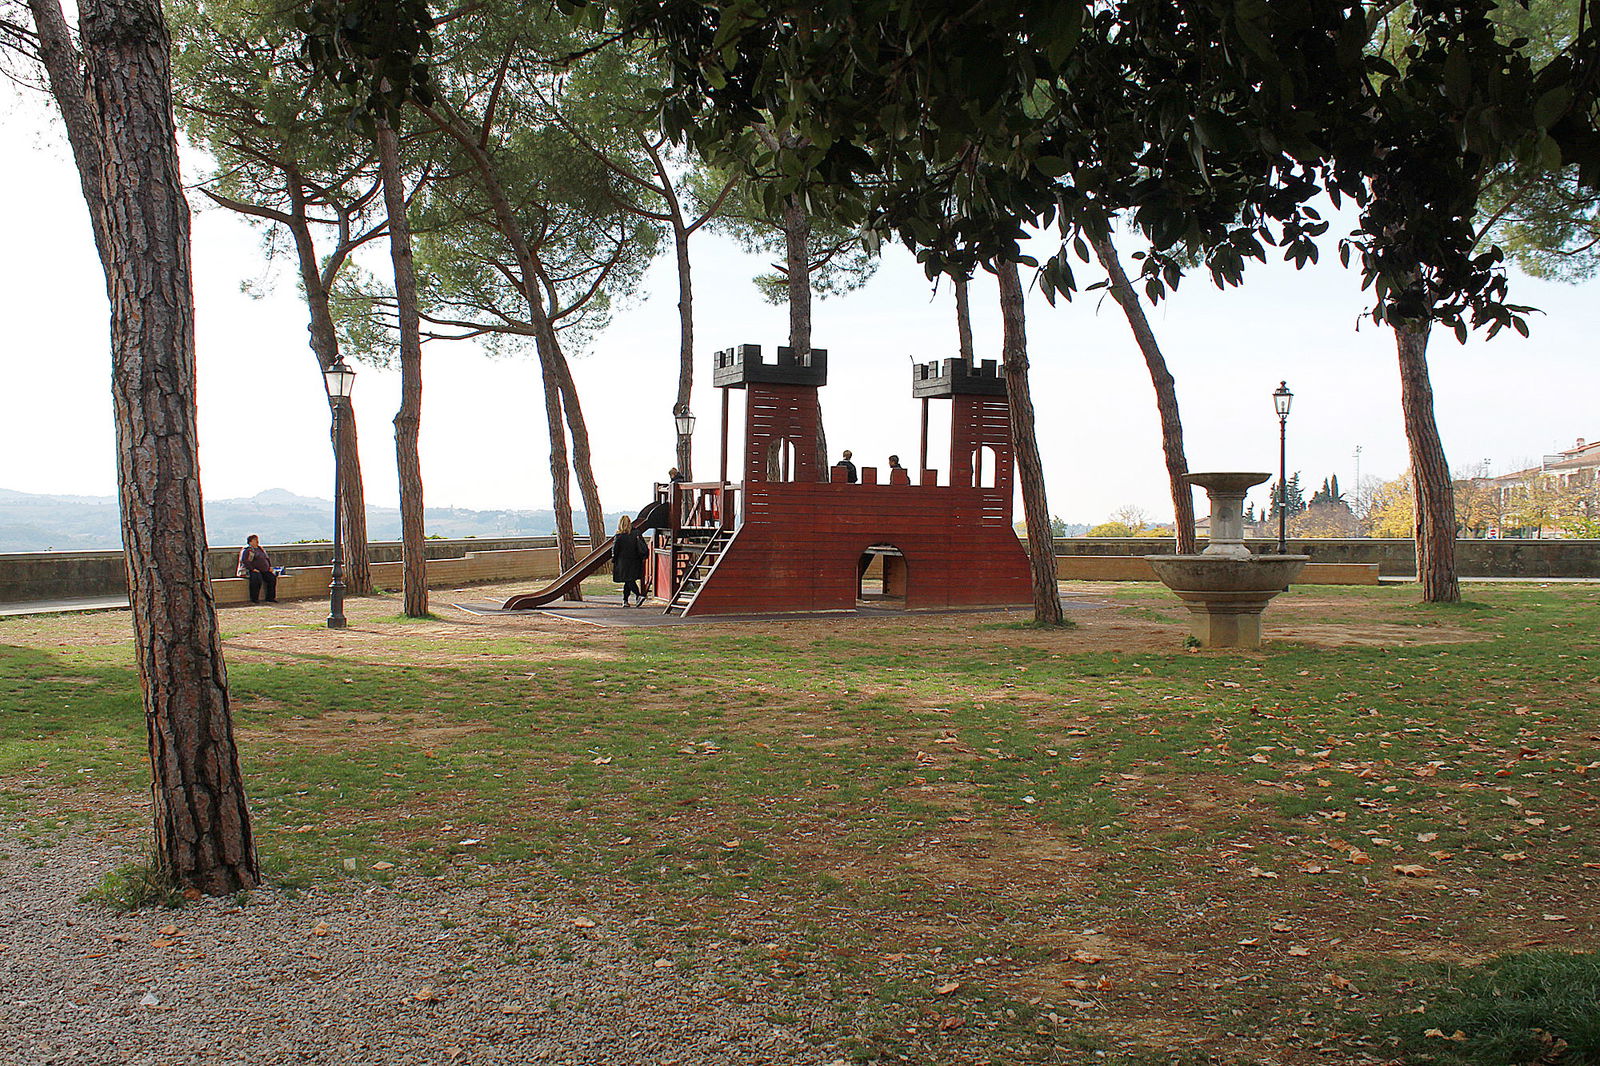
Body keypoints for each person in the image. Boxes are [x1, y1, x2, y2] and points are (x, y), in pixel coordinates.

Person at [612, 515, 649, 607]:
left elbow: (615, 550)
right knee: (629, 580)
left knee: (628, 580)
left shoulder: (619, 536)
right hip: (635, 560)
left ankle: (638, 595)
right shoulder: (636, 533)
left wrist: (614, 560)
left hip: (623, 561)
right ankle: (625, 600)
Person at [237, 534, 277, 603]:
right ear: (250, 541)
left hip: (264, 570)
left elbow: (266, 559)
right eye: (255, 540)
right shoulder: (248, 550)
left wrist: (269, 567)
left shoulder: (260, 549)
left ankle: (270, 598)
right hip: (252, 570)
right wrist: (252, 568)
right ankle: (254, 599)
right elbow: (245, 560)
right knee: (256, 579)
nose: (257, 541)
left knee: (272, 578)